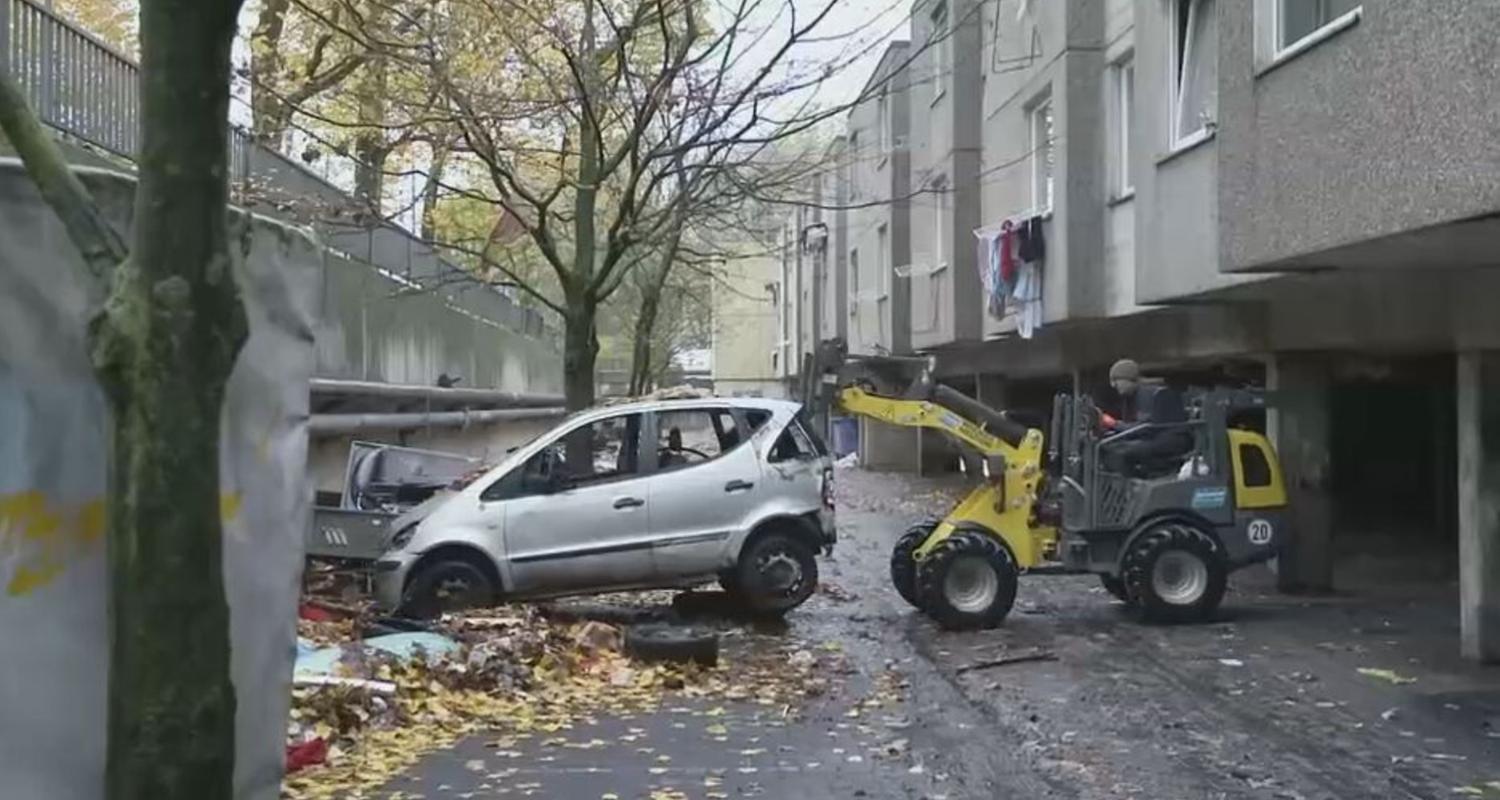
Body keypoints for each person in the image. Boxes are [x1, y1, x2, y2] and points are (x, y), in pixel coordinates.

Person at [1099, 359, 1194, 477]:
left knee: (1122, 454)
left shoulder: (1151, 394)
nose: (1113, 385)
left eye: (1116, 380)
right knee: (1108, 448)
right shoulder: (1132, 396)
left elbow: (1146, 428)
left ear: (1129, 379)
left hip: (1170, 439)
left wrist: (1114, 424)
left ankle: (1132, 487)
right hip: (1154, 435)